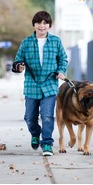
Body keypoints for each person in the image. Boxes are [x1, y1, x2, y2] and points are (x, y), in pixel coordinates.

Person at [13, 11, 68, 156]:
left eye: (45, 23)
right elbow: (17, 61)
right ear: (34, 25)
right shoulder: (26, 43)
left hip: (50, 85)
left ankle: (47, 144)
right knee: (30, 117)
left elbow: (63, 59)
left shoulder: (56, 41)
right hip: (32, 85)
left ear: (49, 25)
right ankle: (35, 133)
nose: (41, 26)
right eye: (38, 23)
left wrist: (61, 71)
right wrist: (19, 66)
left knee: (47, 116)